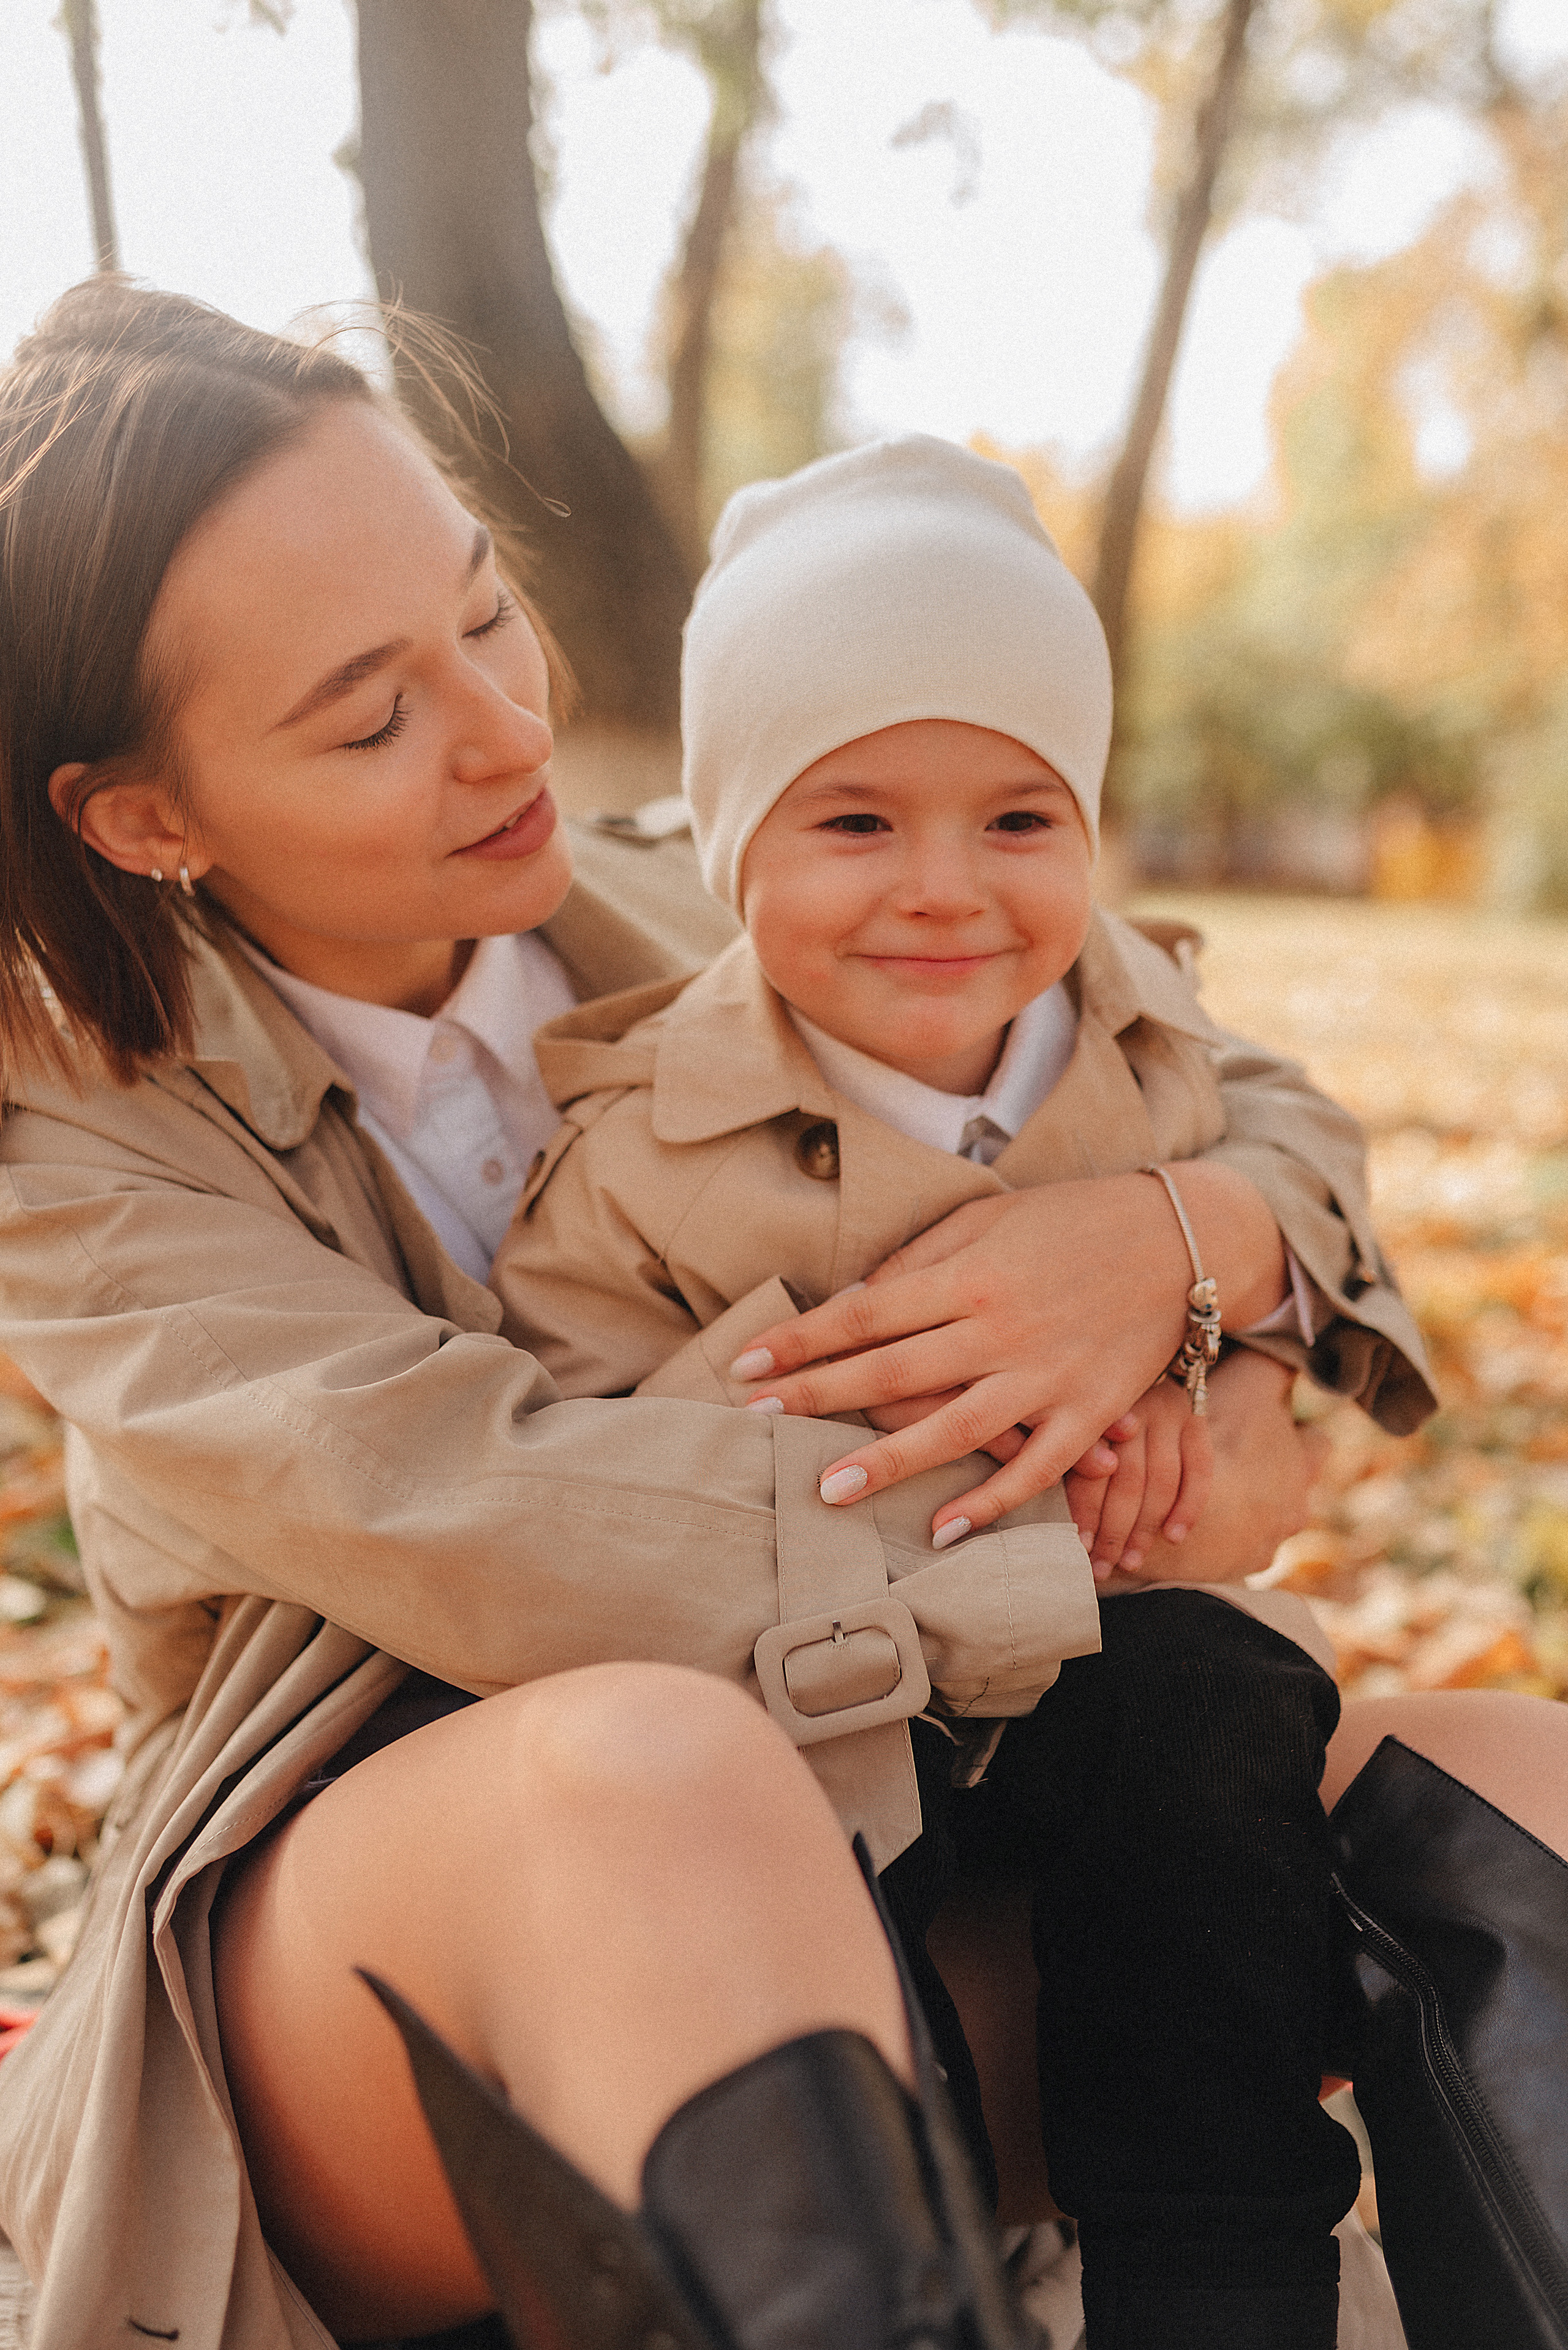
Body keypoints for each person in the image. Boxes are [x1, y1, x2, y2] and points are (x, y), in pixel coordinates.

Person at [0, 280, 1559, 2350]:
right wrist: (1066, 1500)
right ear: (142, 815)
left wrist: (1194, 1242)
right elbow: (469, 1508)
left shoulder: (721, 879)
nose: (503, 727)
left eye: (485, 611)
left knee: (1502, 1782)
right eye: (371, 715)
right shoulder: (67, 1138)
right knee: (662, 1766)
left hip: (926, 1831)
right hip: (391, 1948)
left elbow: (1201, 1044)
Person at [485, 435, 1420, 2349]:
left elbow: (1274, 1220)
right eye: (852, 825)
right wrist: (956, 1445)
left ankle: (1227, 2289)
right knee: (799, 1902)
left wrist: (1193, 1339)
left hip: (1118, 1684)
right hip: (812, 1706)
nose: (945, 892)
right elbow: (584, 1471)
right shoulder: (638, 1143)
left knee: (1219, 1727)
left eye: (1019, 819)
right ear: (733, 849)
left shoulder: (1155, 1055)